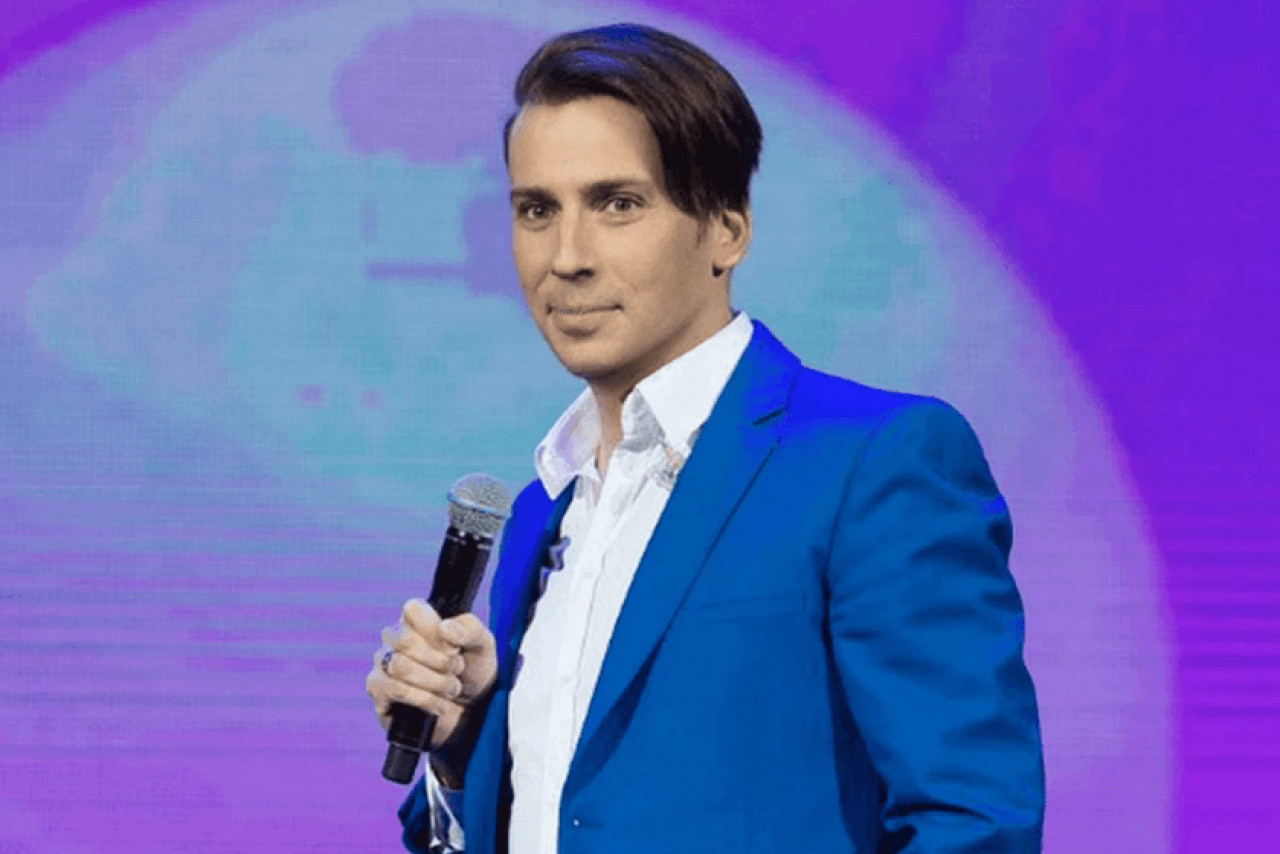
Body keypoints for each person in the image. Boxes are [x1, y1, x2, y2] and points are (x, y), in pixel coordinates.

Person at [365, 22, 1044, 854]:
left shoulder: (872, 462)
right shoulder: (546, 508)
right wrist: (465, 745)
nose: (567, 256)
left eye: (618, 204)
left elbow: (973, 821)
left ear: (727, 228)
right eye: (537, 209)